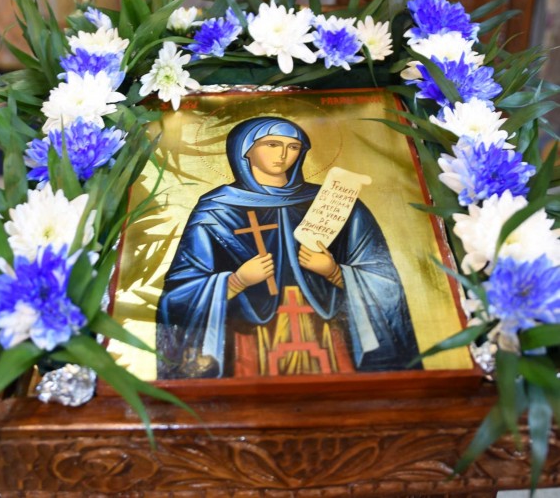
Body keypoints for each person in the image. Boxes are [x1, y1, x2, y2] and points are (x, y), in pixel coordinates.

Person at [156, 117, 420, 379]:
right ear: (245, 150)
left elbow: (384, 278)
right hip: (248, 337)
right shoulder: (215, 210)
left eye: (293, 147)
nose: (283, 155)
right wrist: (237, 281)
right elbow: (178, 293)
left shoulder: (335, 202)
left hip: (326, 330)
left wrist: (334, 273)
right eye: (272, 144)